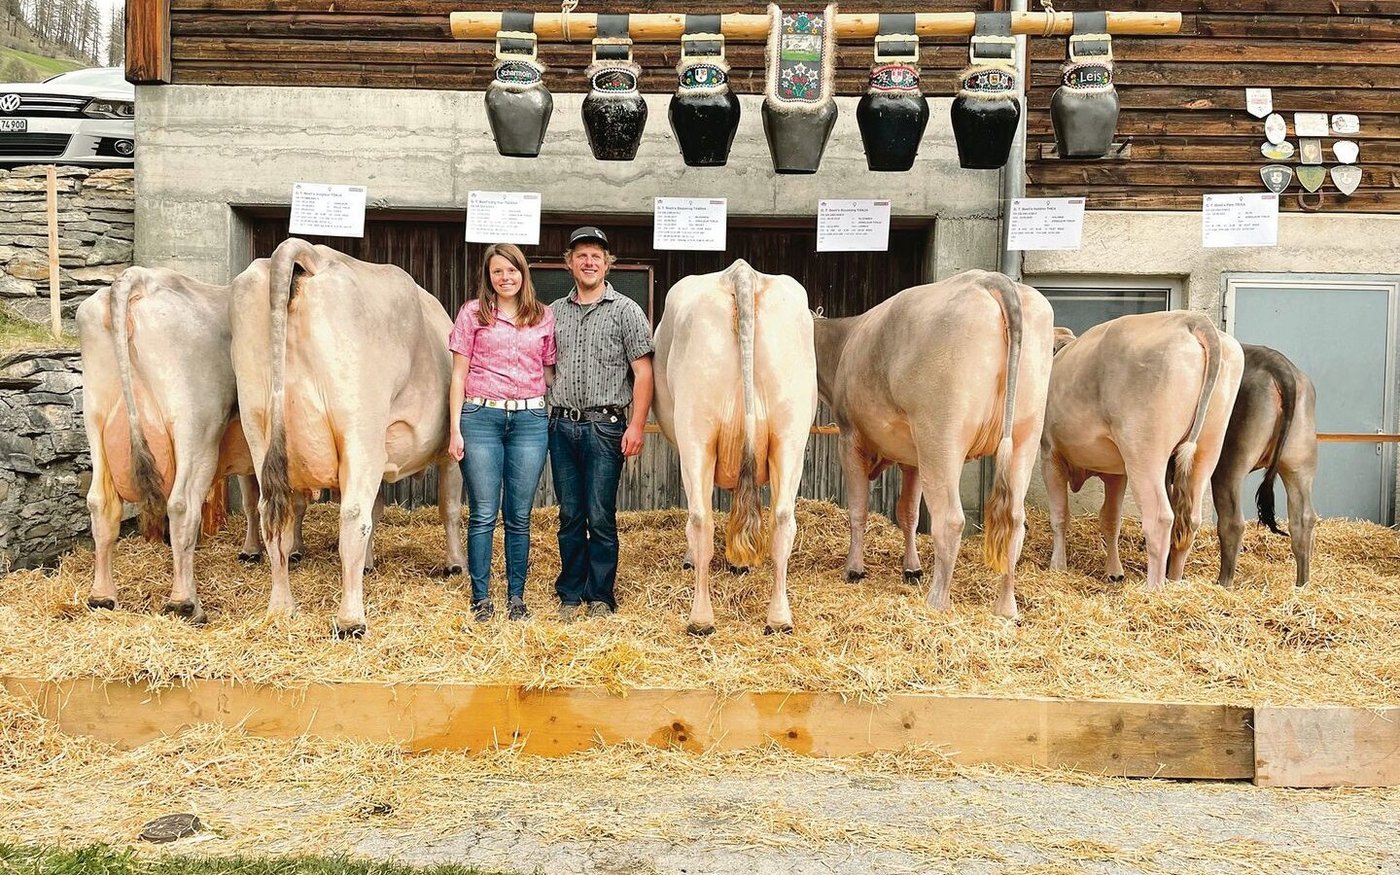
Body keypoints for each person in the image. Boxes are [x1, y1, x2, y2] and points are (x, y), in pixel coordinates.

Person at [548, 226, 654, 621]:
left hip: (605, 427)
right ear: (570, 263)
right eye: (581, 255)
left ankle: (600, 596)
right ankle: (571, 593)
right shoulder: (553, 312)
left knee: (600, 515)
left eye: (596, 256)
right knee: (569, 515)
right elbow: (546, 367)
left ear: (607, 264)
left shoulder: (627, 311)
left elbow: (643, 373)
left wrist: (637, 426)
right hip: (561, 426)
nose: (589, 262)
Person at [448, 243, 556, 623]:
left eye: (512, 270)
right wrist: (454, 429)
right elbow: (458, 375)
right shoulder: (472, 314)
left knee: (519, 515)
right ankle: (481, 598)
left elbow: (548, 372)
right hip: (481, 418)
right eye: (497, 271)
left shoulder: (543, 316)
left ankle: (516, 598)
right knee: (483, 513)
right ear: (488, 276)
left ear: (523, 273)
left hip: (529, 420)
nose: (505, 277)